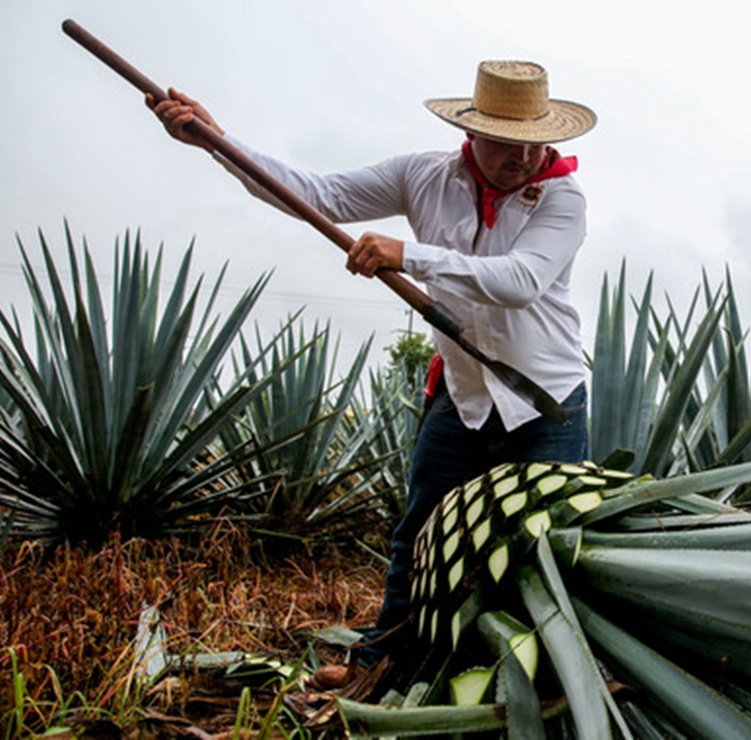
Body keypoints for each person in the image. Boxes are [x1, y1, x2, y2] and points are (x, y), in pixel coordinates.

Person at [151, 60, 596, 682]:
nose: (521, 156)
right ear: (472, 131)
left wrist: (408, 254)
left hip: (545, 401)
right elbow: (317, 195)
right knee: (420, 537)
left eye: (533, 141)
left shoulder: (563, 198)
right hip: (464, 396)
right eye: (504, 139)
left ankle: (543, 680)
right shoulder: (422, 175)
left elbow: (520, 282)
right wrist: (216, 143)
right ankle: (383, 665)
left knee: (541, 546)